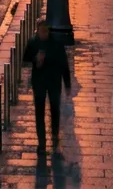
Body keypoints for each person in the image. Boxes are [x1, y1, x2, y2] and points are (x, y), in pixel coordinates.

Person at [22, 20, 71, 153]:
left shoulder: (56, 44)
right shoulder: (33, 43)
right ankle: (41, 142)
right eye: (41, 31)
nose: (44, 33)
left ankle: (54, 135)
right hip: (39, 83)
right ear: (37, 31)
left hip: (54, 82)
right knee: (39, 112)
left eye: (46, 31)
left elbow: (64, 64)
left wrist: (67, 84)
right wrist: (35, 58)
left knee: (55, 109)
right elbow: (25, 58)